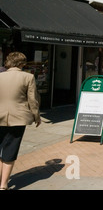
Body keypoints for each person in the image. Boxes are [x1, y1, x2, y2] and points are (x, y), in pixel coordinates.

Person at [0, 52, 41, 190]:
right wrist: (36, 116)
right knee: (10, 150)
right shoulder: (28, 77)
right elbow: (32, 100)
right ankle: (4, 184)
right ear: (22, 63)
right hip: (18, 117)